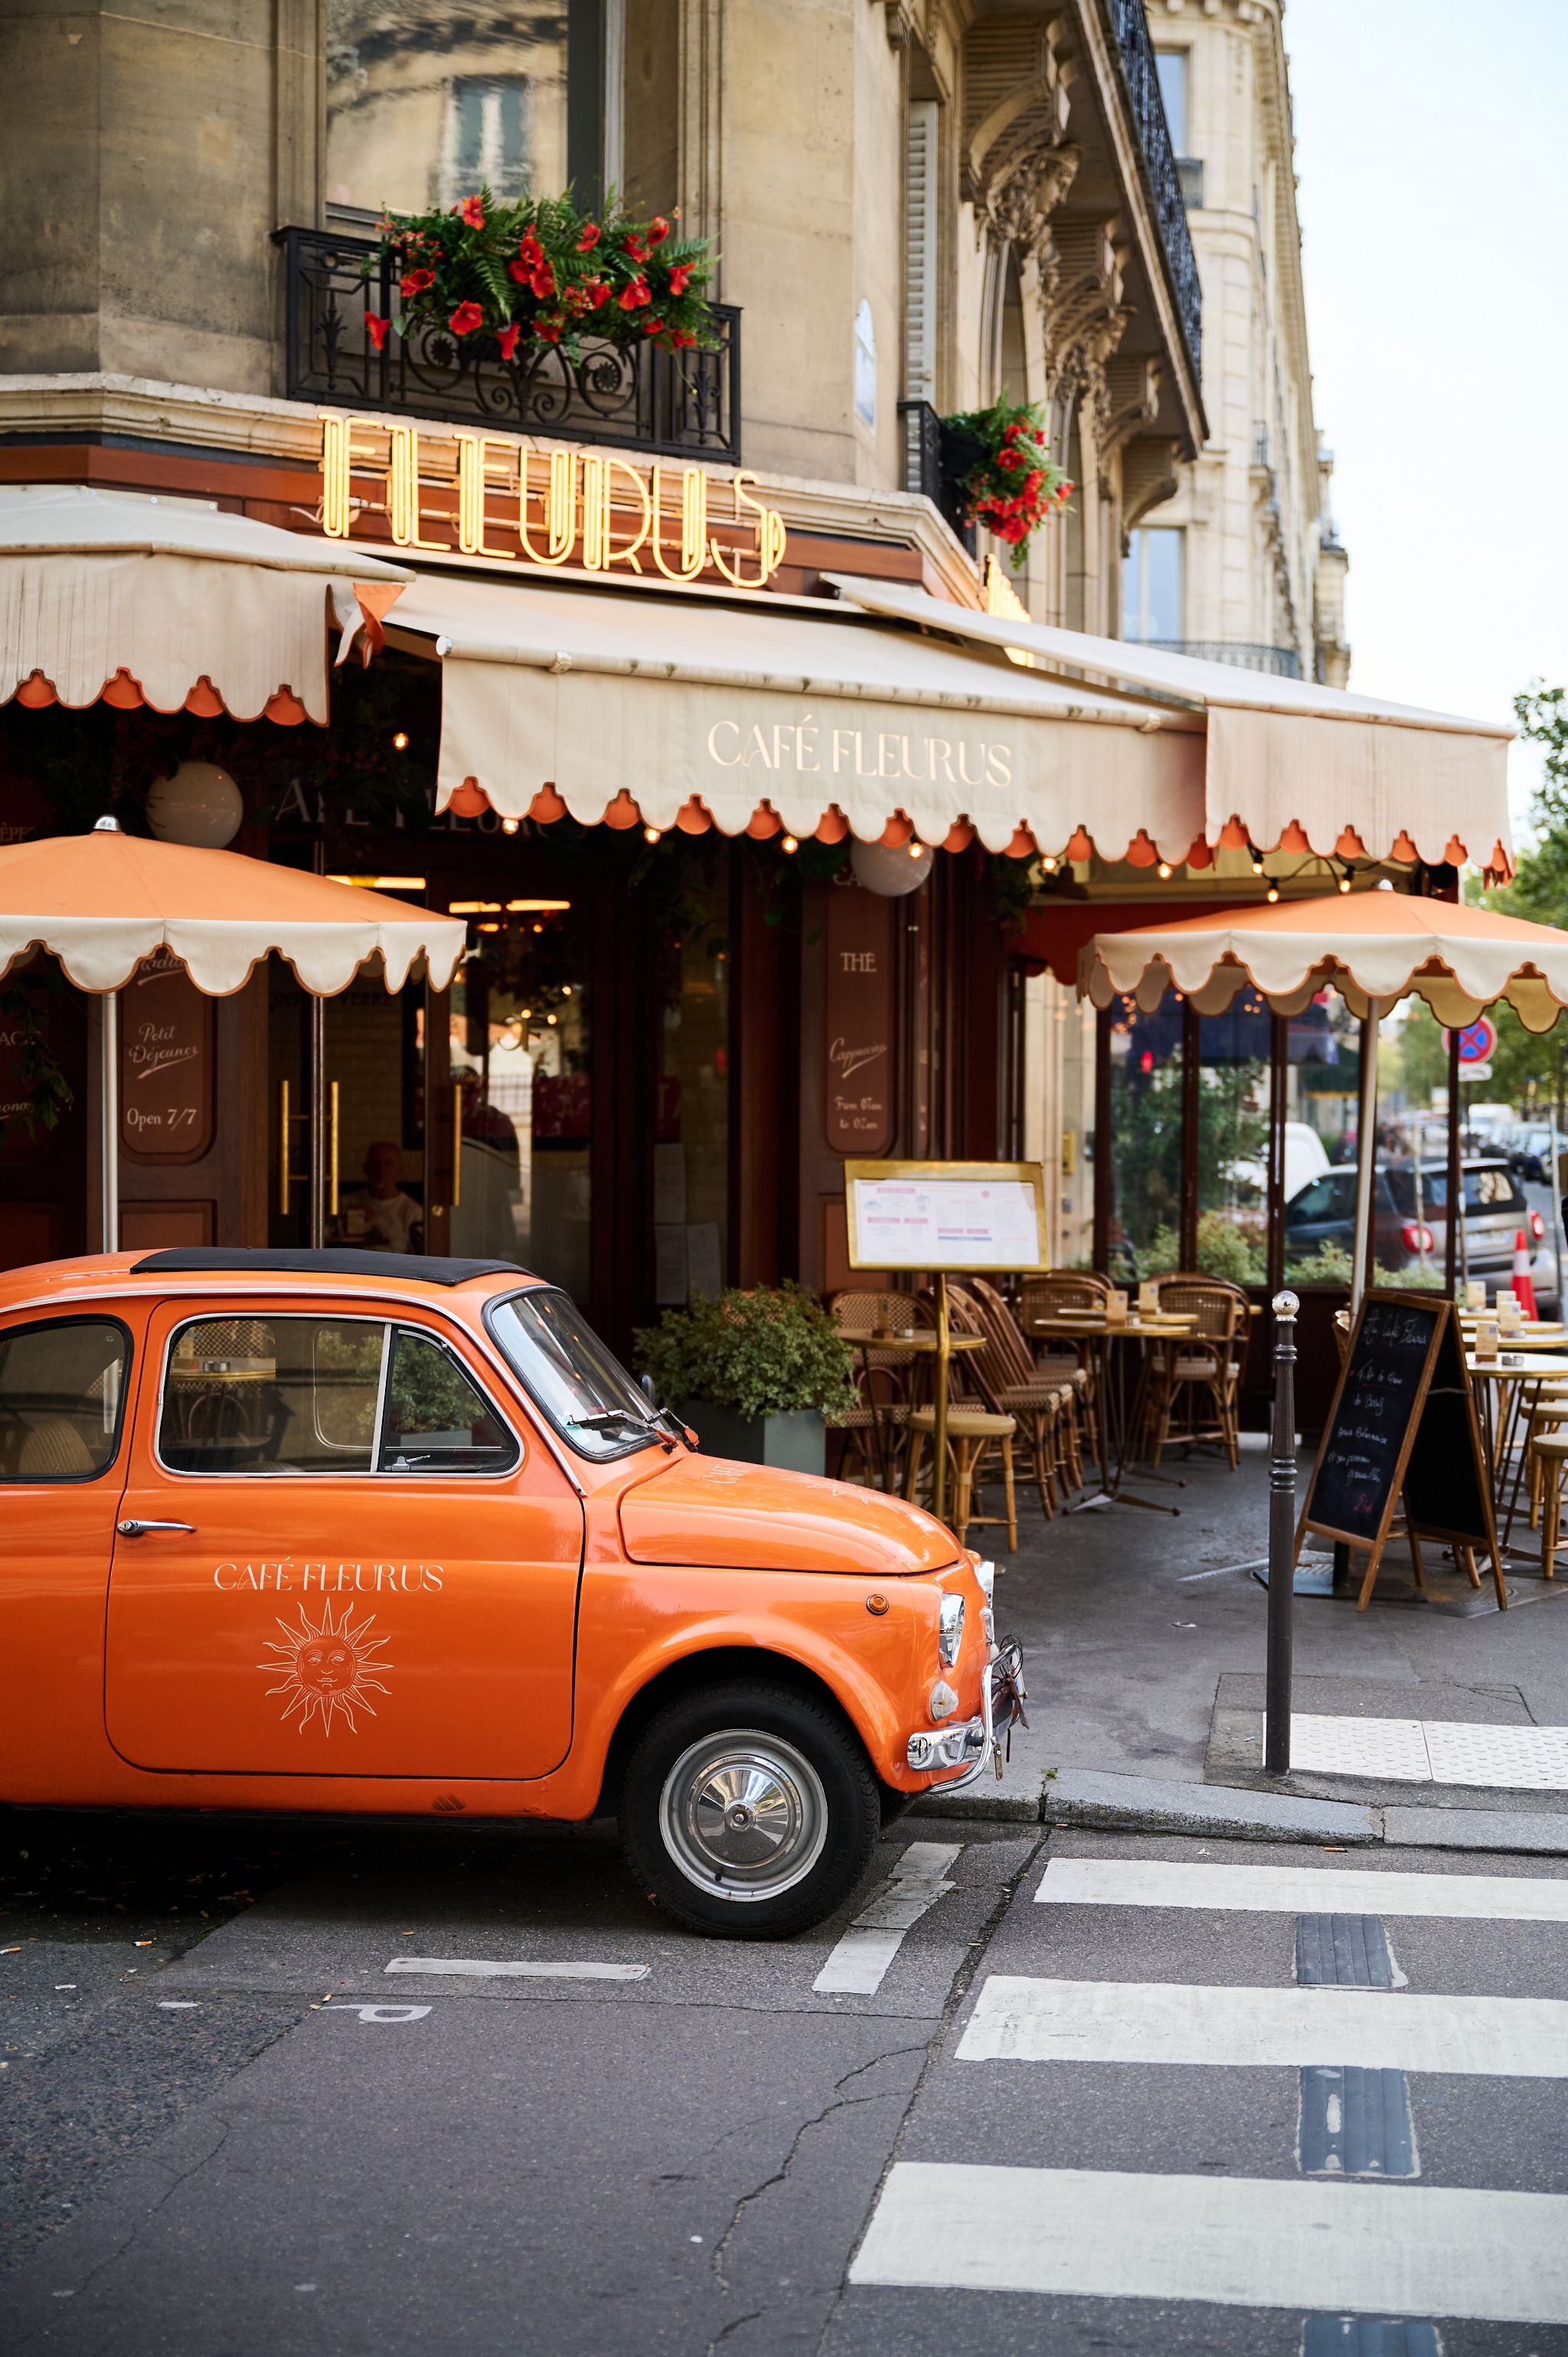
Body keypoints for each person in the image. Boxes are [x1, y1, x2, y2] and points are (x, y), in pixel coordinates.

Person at [346, 1140, 424, 1254]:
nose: (381, 1171)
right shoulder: (347, 1203)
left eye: (388, 1164)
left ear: (399, 1171)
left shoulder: (413, 1211)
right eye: (375, 1164)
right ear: (366, 1168)